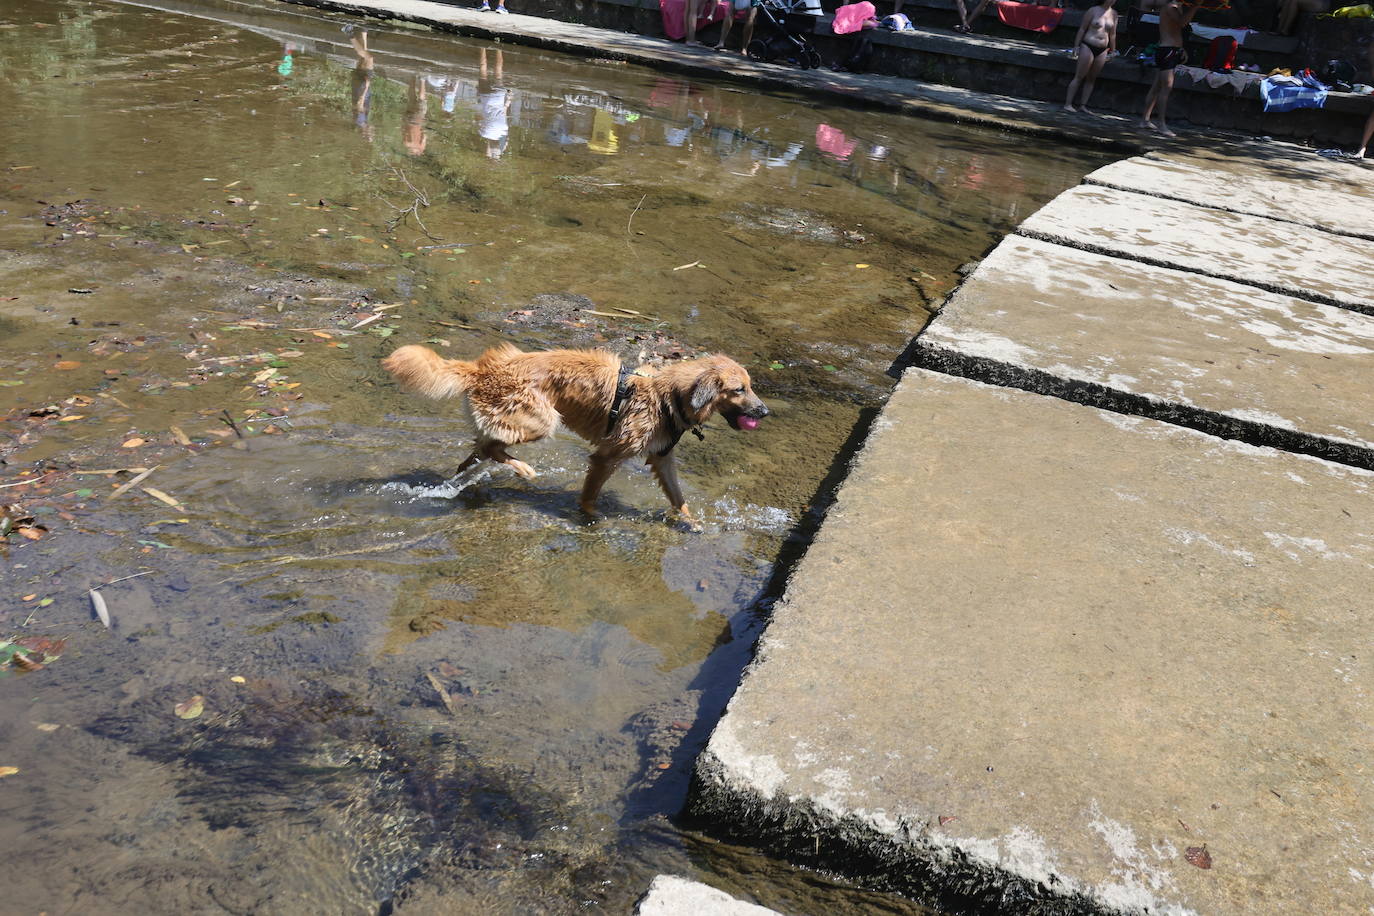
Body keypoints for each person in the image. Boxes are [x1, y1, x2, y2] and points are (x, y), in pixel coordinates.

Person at [1139, 0, 1201, 137]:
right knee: (1166, 88)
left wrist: (1181, 48)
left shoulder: (1177, 6)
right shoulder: (1170, 7)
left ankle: (1145, 120)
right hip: (1168, 51)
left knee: (1156, 87)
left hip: (1170, 49)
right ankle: (1162, 124)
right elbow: (1182, 23)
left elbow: (1174, 29)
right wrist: (1196, 6)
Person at [1065, 0, 1118, 111]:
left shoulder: (1114, 14)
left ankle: (1083, 105)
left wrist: (1113, 51)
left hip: (1103, 49)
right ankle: (1068, 104)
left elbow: (1112, 34)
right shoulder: (1093, 10)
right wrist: (1076, 46)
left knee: (1092, 78)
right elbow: (1082, 28)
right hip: (1088, 45)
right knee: (1079, 76)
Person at [477, 48, 512, 159]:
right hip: (486, 97)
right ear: (490, 144)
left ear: (498, 144)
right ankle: (482, 48)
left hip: (498, 97)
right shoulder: (484, 134)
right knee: (483, 74)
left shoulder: (504, 130)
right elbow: (478, 119)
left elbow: (503, 112)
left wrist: (508, 100)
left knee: (498, 74)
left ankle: (499, 49)